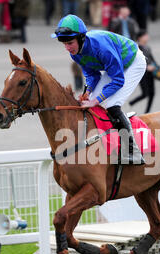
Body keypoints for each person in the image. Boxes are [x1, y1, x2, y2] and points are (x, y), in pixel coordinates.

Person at [51, 14, 146, 165]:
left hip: (133, 63)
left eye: (70, 43)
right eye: (64, 44)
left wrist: (96, 100)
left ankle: (133, 152)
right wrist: (87, 93)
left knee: (111, 104)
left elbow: (118, 80)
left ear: (81, 38)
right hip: (115, 67)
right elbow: (92, 76)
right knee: (90, 102)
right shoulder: (75, 53)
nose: (67, 48)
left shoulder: (101, 48)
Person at [129, 30, 160, 114]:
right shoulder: (136, 48)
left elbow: (152, 59)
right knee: (145, 93)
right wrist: (146, 67)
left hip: (151, 74)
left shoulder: (147, 47)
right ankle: (131, 103)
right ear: (140, 38)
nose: (147, 37)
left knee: (152, 93)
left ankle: (147, 112)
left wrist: (158, 67)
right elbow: (134, 62)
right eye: (145, 35)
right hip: (142, 74)